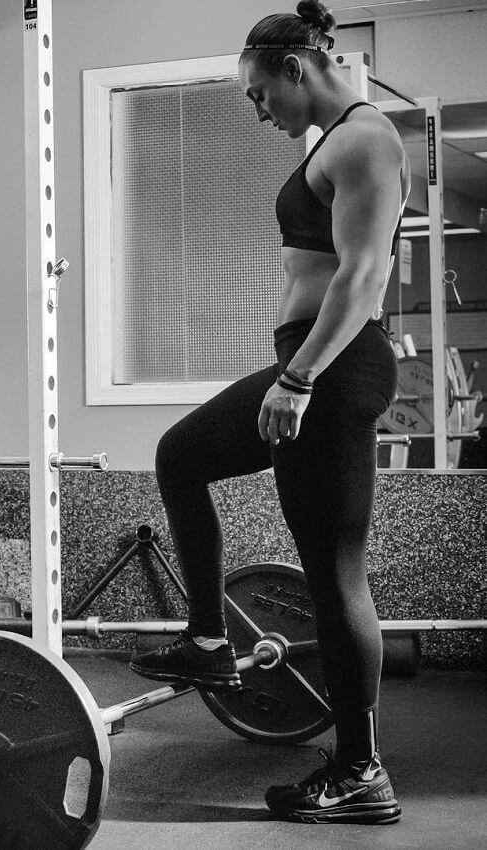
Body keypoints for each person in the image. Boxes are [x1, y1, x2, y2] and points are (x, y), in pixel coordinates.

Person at [129, 0, 408, 826]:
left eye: (259, 94)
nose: (257, 111)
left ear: (296, 68)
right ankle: (210, 641)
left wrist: (298, 378)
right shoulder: (336, 143)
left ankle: (360, 772)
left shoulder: (365, 138)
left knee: (333, 572)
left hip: (330, 368)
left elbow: (360, 277)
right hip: (313, 364)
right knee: (181, 456)